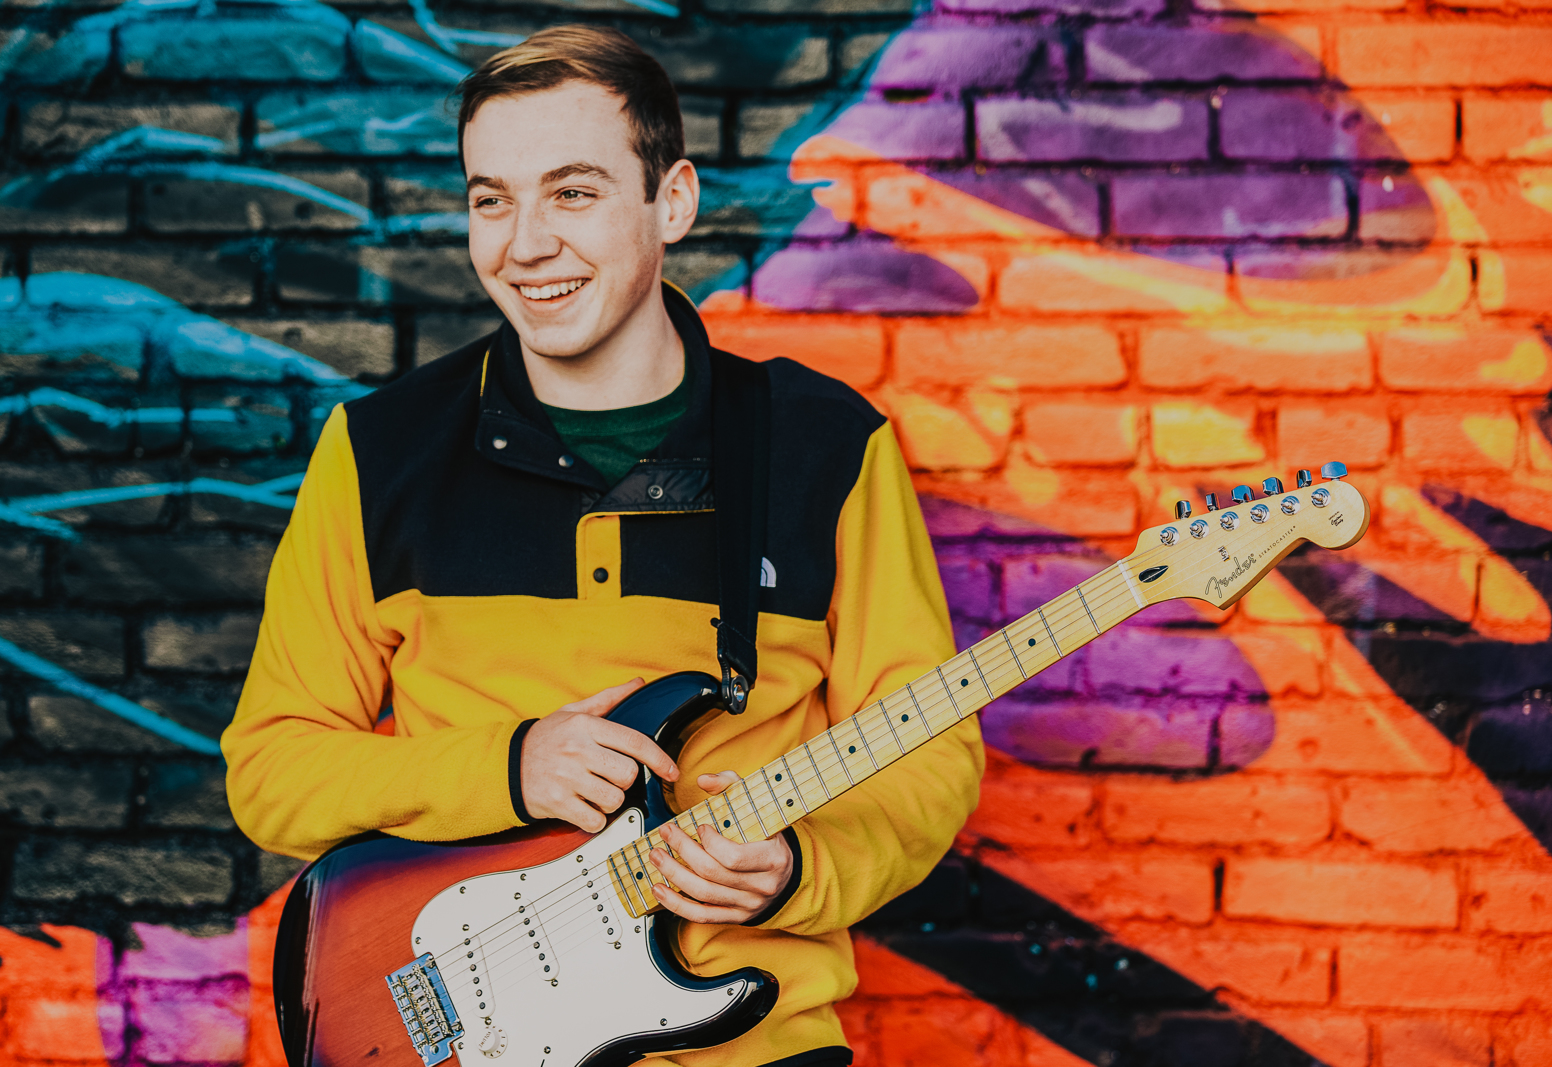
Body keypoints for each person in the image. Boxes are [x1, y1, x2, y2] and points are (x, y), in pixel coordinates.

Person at [222, 25, 983, 1067]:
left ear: (671, 200)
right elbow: (272, 767)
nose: (523, 243)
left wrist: (801, 866)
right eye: (492, 198)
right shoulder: (377, 450)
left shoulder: (826, 446)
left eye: (571, 192)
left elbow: (926, 753)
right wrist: (508, 764)